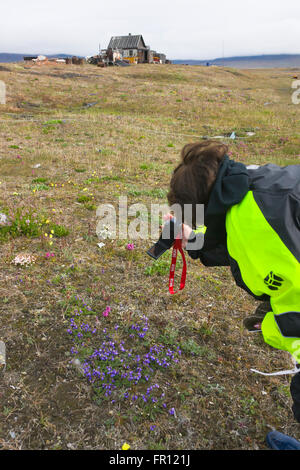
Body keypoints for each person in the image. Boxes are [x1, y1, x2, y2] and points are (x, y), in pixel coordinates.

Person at [166, 140, 300, 424]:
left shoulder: (255, 225)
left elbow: (295, 316)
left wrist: (269, 327)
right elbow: (235, 241)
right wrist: (195, 241)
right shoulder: (248, 183)